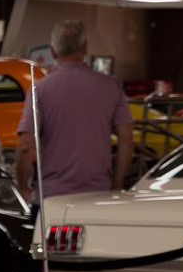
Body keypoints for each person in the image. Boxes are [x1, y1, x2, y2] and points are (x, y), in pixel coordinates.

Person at [16, 20, 133, 201]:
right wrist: (117, 184)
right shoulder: (111, 86)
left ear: (53, 51)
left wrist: (23, 188)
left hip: (52, 197)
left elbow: (25, 147)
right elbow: (126, 140)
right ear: (85, 47)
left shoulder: (39, 90)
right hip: (98, 195)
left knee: (50, 231)